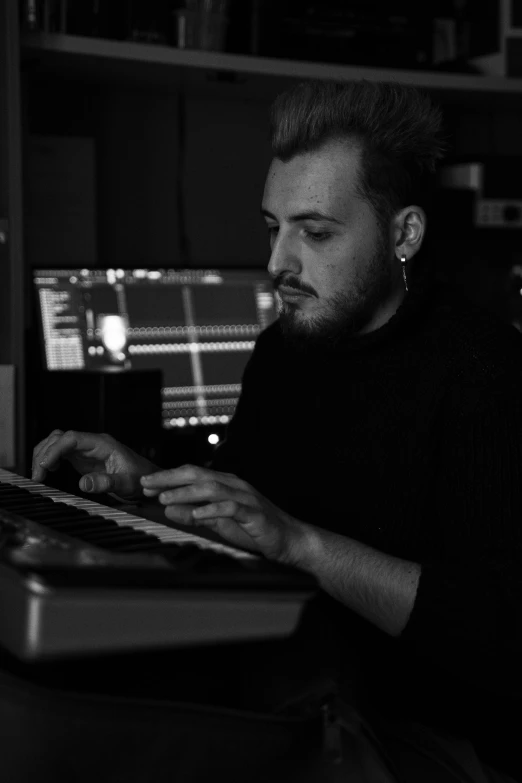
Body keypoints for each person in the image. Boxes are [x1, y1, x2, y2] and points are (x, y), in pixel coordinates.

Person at [31, 79, 522, 782]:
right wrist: (149, 485)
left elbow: (502, 638)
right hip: (289, 688)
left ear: (403, 234)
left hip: (428, 737)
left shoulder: (488, 373)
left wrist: (303, 544)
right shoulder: (281, 351)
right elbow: (248, 520)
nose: (276, 265)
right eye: (273, 227)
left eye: (315, 233)